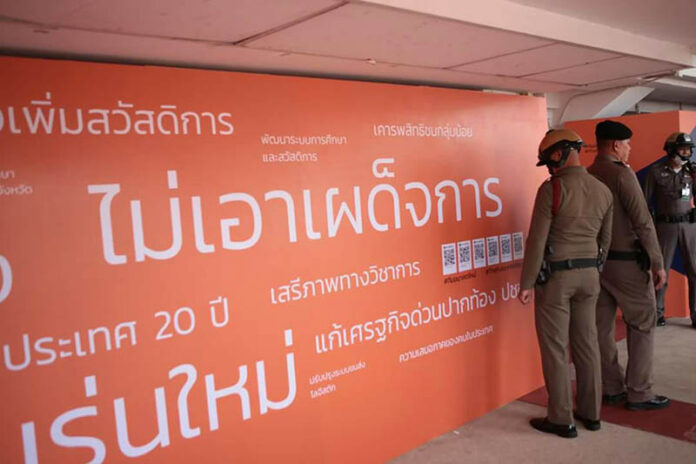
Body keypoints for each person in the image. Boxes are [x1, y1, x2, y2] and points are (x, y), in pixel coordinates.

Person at [519, 129, 613, 438]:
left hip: (557, 279)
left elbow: (536, 241)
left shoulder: (552, 190)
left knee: (556, 348)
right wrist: (594, 268)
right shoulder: (602, 190)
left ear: (559, 153)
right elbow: (605, 241)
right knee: (587, 345)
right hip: (590, 277)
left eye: (549, 159)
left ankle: (561, 419)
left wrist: (527, 282)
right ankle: (592, 414)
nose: (548, 166)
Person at [588, 120, 670, 412]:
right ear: (615, 145)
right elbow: (642, 220)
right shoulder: (622, 175)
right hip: (627, 264)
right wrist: (658, 262)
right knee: (643, 323)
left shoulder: (589, 173)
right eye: (627, 144)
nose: (630, 149)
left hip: (596, 265)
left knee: (601, 328)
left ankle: (611, 388)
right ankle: (639, 392)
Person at [643, 132, 696, 329]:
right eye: (683, 149)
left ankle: (695, 314)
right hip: (664, 226)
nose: (687, 153)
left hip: (689, 227)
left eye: (689, 149)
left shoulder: (691, 172)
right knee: (660, 270)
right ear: (672, 150)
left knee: (695, 270)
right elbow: (644, 202)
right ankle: (657, 313)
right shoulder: (655, 172)